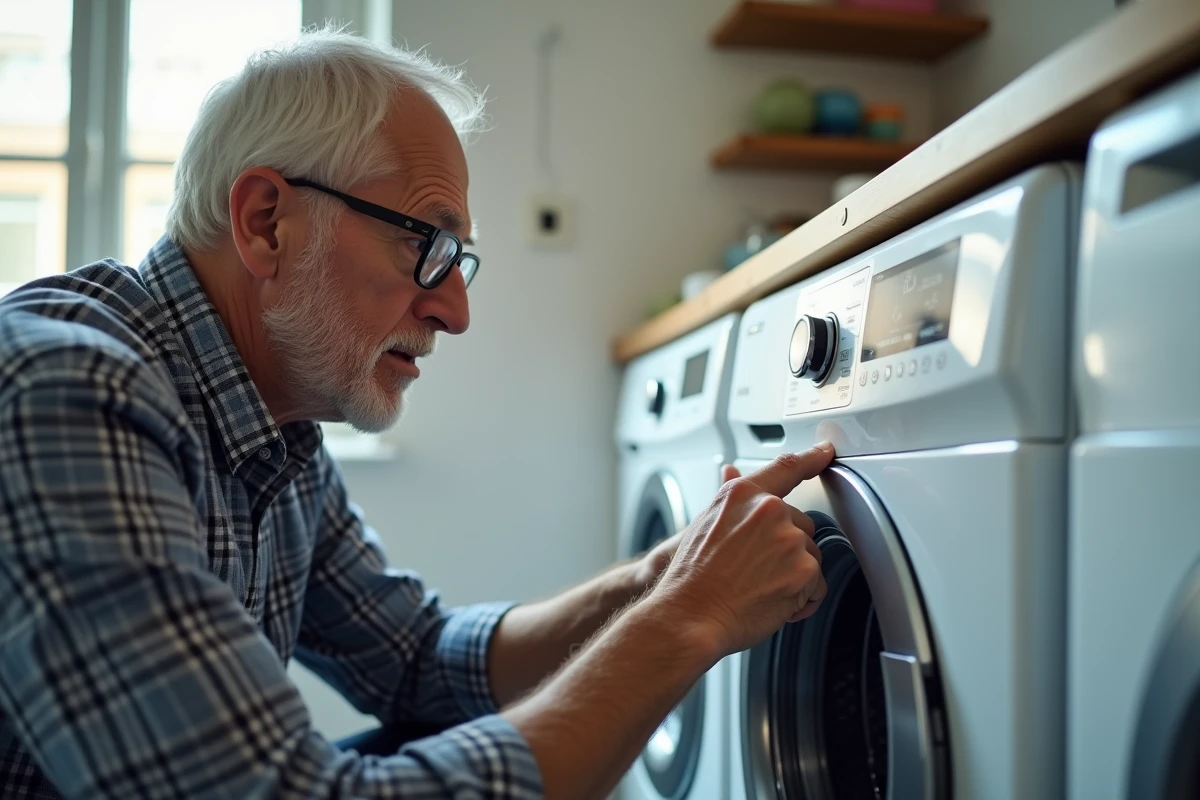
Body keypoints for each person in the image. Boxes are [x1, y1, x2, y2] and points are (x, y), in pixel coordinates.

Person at [0, 29, 831, 799]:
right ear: (266, 223)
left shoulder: (275, 422)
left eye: (459, 258)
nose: (456, 312)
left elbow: (418, 660)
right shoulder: (70, 387)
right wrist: (687, 620)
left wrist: (663, 576)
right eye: (424, 243)